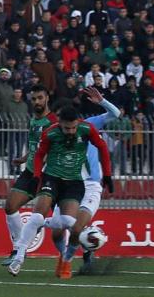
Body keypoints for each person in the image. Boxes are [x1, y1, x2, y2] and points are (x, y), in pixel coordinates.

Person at [7, 106, 113, 278]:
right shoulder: (50, 133)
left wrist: (107, 174)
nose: (71, 131)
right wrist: (36, 176)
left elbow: (102, 147)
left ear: (77, 123)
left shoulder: (87, 129)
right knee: (37, 215)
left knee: (68, 223)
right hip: (52, 179)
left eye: (73, 128)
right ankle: (18, 257)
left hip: (74, 183)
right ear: (60, 123)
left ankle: (67, 256)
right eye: (66, 128)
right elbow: (39, 154)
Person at [43, 88, 121, 275]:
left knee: (77, 227)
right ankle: (65, 255)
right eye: (57, 117)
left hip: (90, 185)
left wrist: (102, 102)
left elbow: (115, 114)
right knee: (57, 231)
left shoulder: (89, 125)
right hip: (66, 185)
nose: (60, 120)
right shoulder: (54, 134)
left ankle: (70, 261)